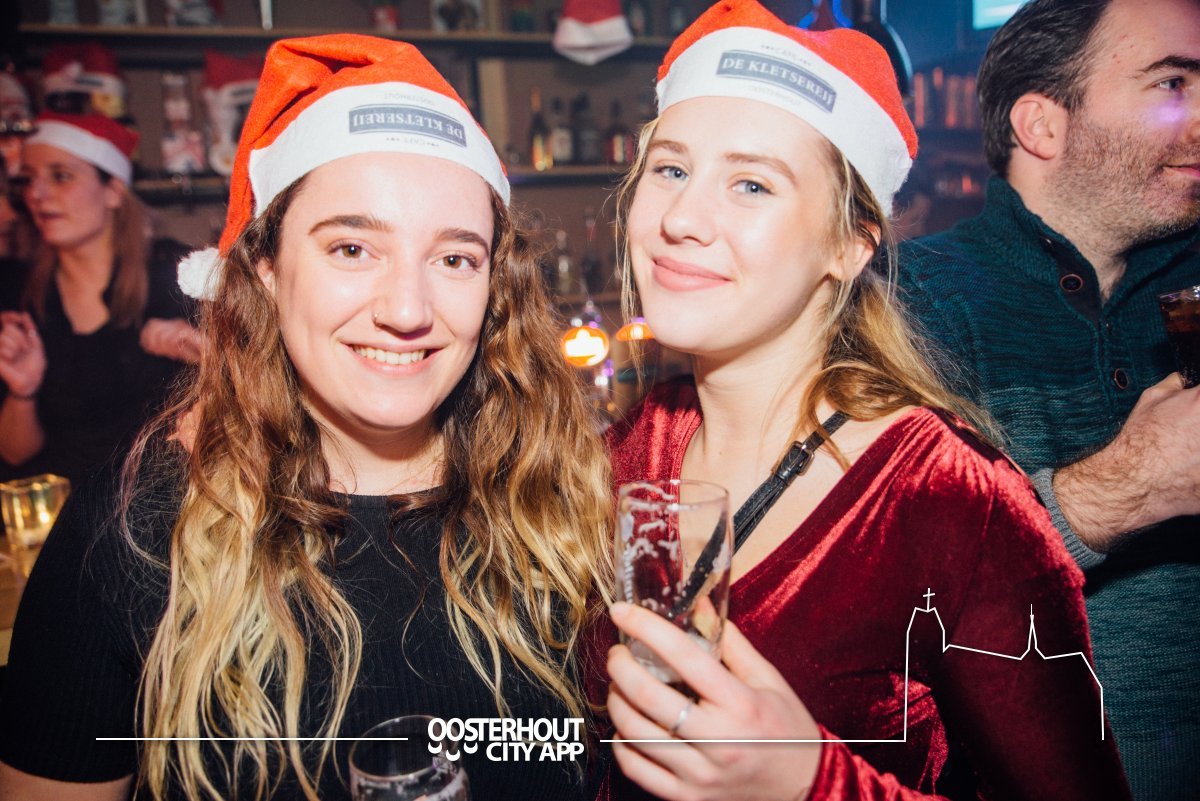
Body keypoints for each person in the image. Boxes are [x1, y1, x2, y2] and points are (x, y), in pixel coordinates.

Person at [0, 35, 611, 800]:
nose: (407, 309)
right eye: (352, 248)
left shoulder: (569, 509)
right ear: (266, 267)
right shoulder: (132, 533)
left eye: (455, 258)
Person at [594, 2, 1131, 799]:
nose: (679, 218)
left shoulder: (951, 498)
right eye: (670, 169)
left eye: (751, 184)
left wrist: (809, 780)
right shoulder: (631, 447)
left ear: (850, 245)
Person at [895, 1, 1200, 797]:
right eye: (1173, 84)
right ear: (1042, 125)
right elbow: (886, 595)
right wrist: (1126, 485)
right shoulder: (909, 306)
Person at [0, 112, 201, 484]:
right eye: (29, 179)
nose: (37, 195)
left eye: (61, 176)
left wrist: (206, 351)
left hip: (162, 499)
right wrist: (22, 391)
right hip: (64, 506)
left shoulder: (179, 276)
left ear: (113, 190)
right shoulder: (19, 295)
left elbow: (257, 402)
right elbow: (15, 454)